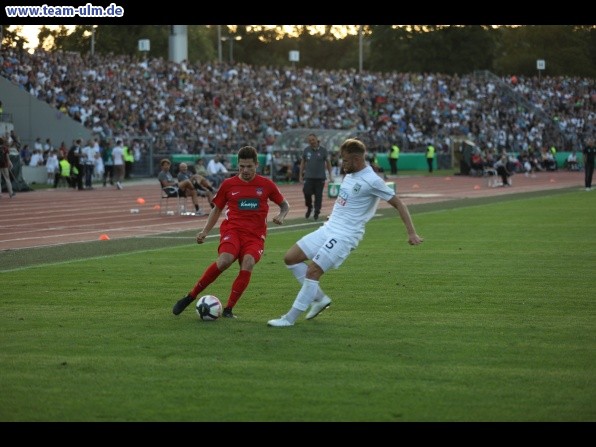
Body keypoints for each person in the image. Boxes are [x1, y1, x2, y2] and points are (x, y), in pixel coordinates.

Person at [267, 138, 423, 327]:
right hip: (329, 228)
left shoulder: (372, 180)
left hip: (345, 236)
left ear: (357, 160)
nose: (342, 163)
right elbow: (346, 201)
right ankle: (320, 298)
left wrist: (411, 233)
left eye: (346, 160)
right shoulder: (350, 175)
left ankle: (289, 319)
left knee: (313, 270)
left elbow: (399, 204)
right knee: (291, 258)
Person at [172, 146, 290, 318]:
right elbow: (216, 209)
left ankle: (228, 309)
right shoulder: (229, 184)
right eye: (241, 166)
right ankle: (190, 296)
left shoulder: (266, 185)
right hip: (232, 231)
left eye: (249, 166)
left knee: (248, 262)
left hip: (255, 236)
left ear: (257, 164)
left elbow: (285, 205)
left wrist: (281, 215)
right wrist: (205, 231)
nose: (245, 170)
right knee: (225, 260)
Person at [300, 133, 333, 220]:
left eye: (313, 140)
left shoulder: (323, 150)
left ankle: (316, 212)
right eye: (309, 140)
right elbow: (303, 162)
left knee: (318, 196)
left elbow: (328, 163)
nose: (311, 142)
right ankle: (309, 207)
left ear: (316, 139)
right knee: (306, 192)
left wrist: (330, 175)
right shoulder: (306, 150)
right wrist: (300, 174)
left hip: (320, 178)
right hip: (308, 177)